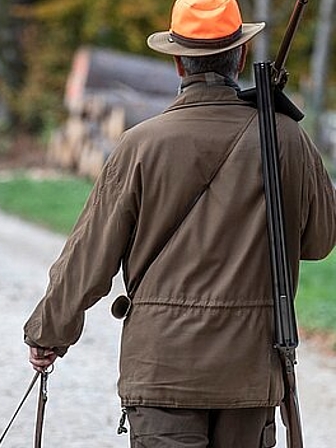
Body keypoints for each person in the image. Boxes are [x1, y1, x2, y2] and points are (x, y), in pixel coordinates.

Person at [23, 0, 336, 446]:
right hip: (249, 370)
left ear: (176, 63)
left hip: (161, 369)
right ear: (241, 56)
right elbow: (320, 240)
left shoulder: (139, 145)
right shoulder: (286, 137)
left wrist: (48, 332)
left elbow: (90, 255)